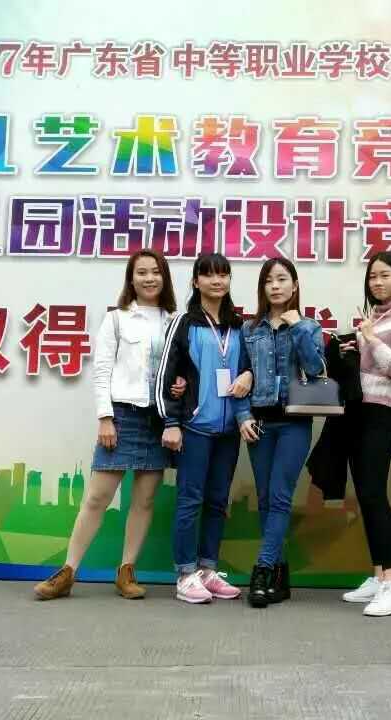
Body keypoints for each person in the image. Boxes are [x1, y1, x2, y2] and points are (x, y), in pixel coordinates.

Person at [33, 249, 184, 601]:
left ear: (165, 277)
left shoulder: (175, 321)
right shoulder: (116, 319)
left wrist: (181, 385)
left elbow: (181, 369)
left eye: (156, 271)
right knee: (97, 497)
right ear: (131, 279)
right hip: (122, 416)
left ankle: (126, 571)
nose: (149, 278)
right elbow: (102, 371)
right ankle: (68, 571)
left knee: (144, 500)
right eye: (141, 272)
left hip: (159, 419)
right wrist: (105, 417)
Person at [157, 253, 258, 605]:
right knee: (190, 501)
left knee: (217, 502)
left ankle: (208, 570)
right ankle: (185, 574)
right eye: (209, 275)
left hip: (229, 431)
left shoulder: (239, 326)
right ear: (196, 281)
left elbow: (250, 366)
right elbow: (167, 374)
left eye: (223, 274)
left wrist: (249, 374)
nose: (217, 281)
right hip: (195, 427)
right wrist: (172, 422)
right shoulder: (184, 323)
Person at [240, 258, 326, 608]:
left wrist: (299, 327)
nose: (275, 286)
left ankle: (262, 570)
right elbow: (240, 376)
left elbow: (316, 370)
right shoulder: (250, 329)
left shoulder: (309, 326)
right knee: (264, 499)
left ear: (294, 285)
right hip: (259, 423)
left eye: (282, 279)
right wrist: (242, 416)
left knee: (279, 496)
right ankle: (280, 576)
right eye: (269, 281)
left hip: (294, 423)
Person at [339, 251, 391, 617]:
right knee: (365, 495)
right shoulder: (372, 318)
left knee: (374, 493)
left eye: (385, 275)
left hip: (381, 413)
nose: (378, 282)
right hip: (356, 410)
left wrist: (371, 340)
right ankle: (377, 576)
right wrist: (353, 348)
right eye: (372, 276)